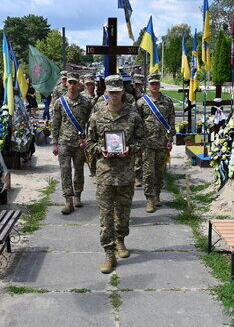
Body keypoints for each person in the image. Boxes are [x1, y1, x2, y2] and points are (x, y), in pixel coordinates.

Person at [87, 74, 145, 273]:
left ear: (122, 91)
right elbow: (89, 142)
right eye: (110, 91)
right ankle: (109, 252)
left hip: (126, 174)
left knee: (123, 213)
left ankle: (120, 240)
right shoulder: (97, 116)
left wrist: (131, 149)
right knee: (105, 216)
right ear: (106, 92)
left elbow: (142, 141)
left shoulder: (133, 116)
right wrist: (99, 149)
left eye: (117, 91)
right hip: (105, 173)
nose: (114, 95)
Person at [52, 71, 92, 214]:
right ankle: (68, 200)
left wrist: (87, 140)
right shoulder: (60, 102)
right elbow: (55, 123)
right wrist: (55, 143)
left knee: (79, 170)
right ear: (66, 83)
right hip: (64, 142)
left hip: (80, 143)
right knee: (65, 170)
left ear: (79, 84)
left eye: (75, 82)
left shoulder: (86, 102)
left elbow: (91, 123)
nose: (72, 85)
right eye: (70, 82)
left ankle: (78, 195)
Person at [136, 73, 175, 213]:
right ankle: (149, 199)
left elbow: (171, 122)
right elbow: (137, 123)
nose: (154, 86)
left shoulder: (167, 101)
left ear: (159, 84)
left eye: (156, 83)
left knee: (160, 171)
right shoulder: (141, 102)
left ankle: (157, 195)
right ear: (148, 85)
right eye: (152, 83)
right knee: (147, 173)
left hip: (162, 143)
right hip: (147, 144)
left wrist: (170, 140)